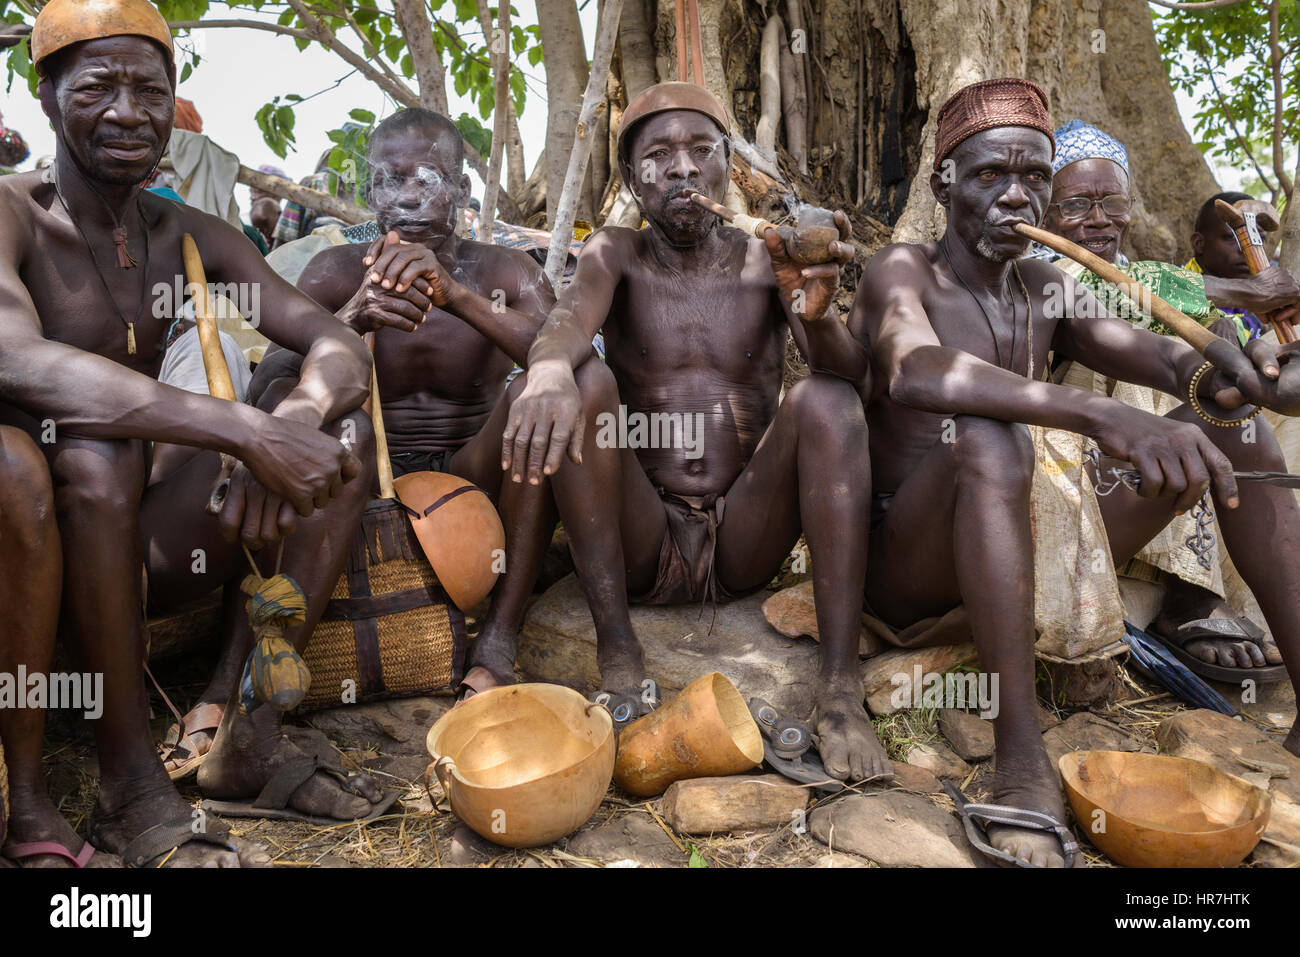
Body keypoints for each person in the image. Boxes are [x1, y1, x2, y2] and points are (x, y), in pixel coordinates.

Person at [850, 78, 1300, 866]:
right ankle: (1020, 755)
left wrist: (1225, 373)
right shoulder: (902, 271)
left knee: (1235, 424)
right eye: (991, 175)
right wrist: (1097, 414)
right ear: (943, 184)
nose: (1016, 195)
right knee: (990, 440)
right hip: (913, 572)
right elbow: (915, 367)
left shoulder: (1047, 282)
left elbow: (1156, 352)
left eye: (1033, 177)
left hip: (1028, 542)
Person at [0, 0, 390, 867]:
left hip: (137, 548)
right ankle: (129, 788)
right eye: (99, 87)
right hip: (28, 557)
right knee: (95, 450)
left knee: (340, 435)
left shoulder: (186, 234)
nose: (130, 112)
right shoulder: (12, 216)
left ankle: (249, 734)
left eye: (150, 88)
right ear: (46, 92)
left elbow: (332, 339)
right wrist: (241, 430)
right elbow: (14, 361)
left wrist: (290, 419)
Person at [500, 82, 889, 781]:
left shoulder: (763, 258)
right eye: (658, 156)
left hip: (744, 537)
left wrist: (818, 308)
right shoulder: (616, 252)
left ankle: (838, 689)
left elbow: (852, 378)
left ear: (727, 171)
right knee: (584, 379)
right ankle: (619, 653)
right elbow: (567, 322)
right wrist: (550, 368)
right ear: (631, 180)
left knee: (824, 400)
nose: (680, 169)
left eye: (699, 151)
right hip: (643, 537)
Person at [242, 107, 560, 703]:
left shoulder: (505, 270)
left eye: (429, 179)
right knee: (316, 412)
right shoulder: (337, 269)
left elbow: (566, 359)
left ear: (463, 189)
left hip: (472, 478)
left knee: (534, 397)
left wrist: (458, 296)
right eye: (391, 180)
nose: (409, 198)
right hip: (358, 479)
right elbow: (273, 389)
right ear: (369, 192)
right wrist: (347, 321)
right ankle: (269, 650)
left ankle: (498, 639)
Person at [1038, 123, 1296, 679]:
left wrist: (1260, 353)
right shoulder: (1034, 273)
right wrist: (1238, 291)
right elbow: (1105, 295)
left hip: (1144, 481)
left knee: (1228, 365)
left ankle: (1221, 589)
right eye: (1077, 203)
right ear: (1042, 212)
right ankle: (1185, 588)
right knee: (1145, 352)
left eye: (1113, 202)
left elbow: (1173, 306)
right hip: (1071, 483)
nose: (1099, 218)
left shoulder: (1149, 277)